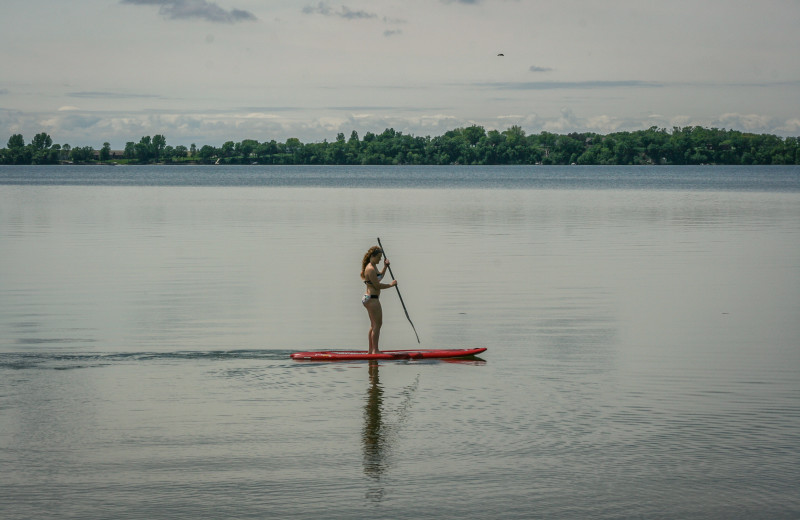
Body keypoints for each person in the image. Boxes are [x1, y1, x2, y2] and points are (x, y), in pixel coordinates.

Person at [360, 246, 397, 354]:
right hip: (372, 299)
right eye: (379, 257)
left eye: (381, 257)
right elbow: (377, 285)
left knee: (374, 325)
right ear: (373, 256)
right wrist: (391, 285)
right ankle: (375, 351)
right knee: (378, 324)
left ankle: (371, 350)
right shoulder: (370, 269)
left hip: (369, 298)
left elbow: (379, 277)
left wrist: (385, 267)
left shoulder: (373, 266)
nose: (380, 260)